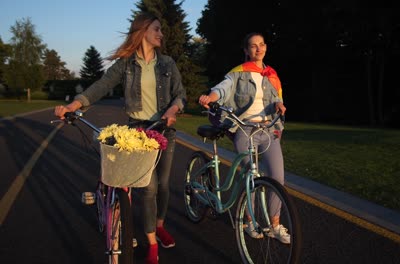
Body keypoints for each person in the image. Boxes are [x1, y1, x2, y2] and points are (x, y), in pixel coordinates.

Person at [54, 12, 186, 264]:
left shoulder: (168, 63)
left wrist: (173, 109)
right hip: (138, 131)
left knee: (164, 185)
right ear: (143, 31)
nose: (161, 34)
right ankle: (151, 244)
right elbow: (101, 86)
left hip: (164, 129)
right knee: (148, 188)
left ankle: (159, 225)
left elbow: (181, 94)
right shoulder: (126, 64)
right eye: (156, 29)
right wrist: (75, 105)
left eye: (161, 30)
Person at [198, 32, 290, 244]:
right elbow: (222, 89)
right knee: (251, 175)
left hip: (267, 130)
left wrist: (278, 105)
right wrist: (210, 98)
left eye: (261, 44)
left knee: (277, 177)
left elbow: (277, 98)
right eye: (253, 46)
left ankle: (274, 224)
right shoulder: (238, 74)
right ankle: (249, 221)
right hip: (245, 130)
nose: (258, 49)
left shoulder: (272, 75)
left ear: (265, 47)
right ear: (246, 50)